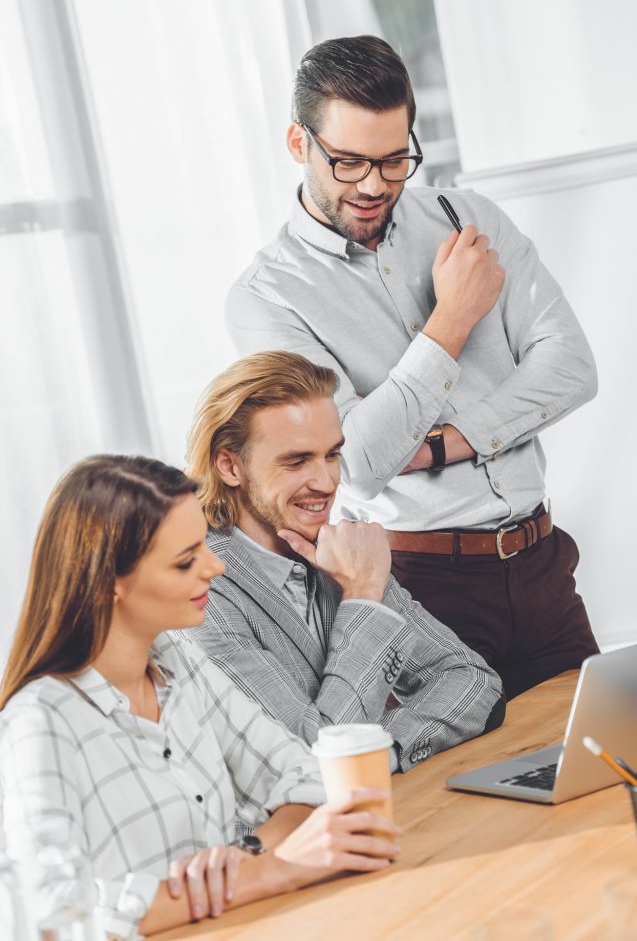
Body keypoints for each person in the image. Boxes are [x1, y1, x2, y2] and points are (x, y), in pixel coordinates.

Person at [225, 34, 600, 700]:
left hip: (542, 565)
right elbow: (359, 458)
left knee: (622, 772)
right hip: (423, 591)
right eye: (346, 162)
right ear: (297, 144)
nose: (374, 185)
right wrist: (451, 320)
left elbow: (571, 369)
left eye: (394, 160)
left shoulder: (466, 218)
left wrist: (439, 445)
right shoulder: (266, 300)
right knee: (466, 802)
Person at [0, 455, 400, 940]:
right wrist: (273, 871)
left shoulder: (179, 661)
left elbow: (306, 775)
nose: (216, 566)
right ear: (109, 583)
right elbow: (52, 920)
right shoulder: (39, 722)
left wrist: (242, 859)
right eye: (186, 559)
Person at [184, 350, 504, 772]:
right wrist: (364, 596)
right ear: (229, 465)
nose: (326, 482)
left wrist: (382, 752)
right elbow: (309, 759)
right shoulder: (199, 593)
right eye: (297, 461)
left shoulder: (342, 553)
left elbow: (474, 683)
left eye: (332, 455)